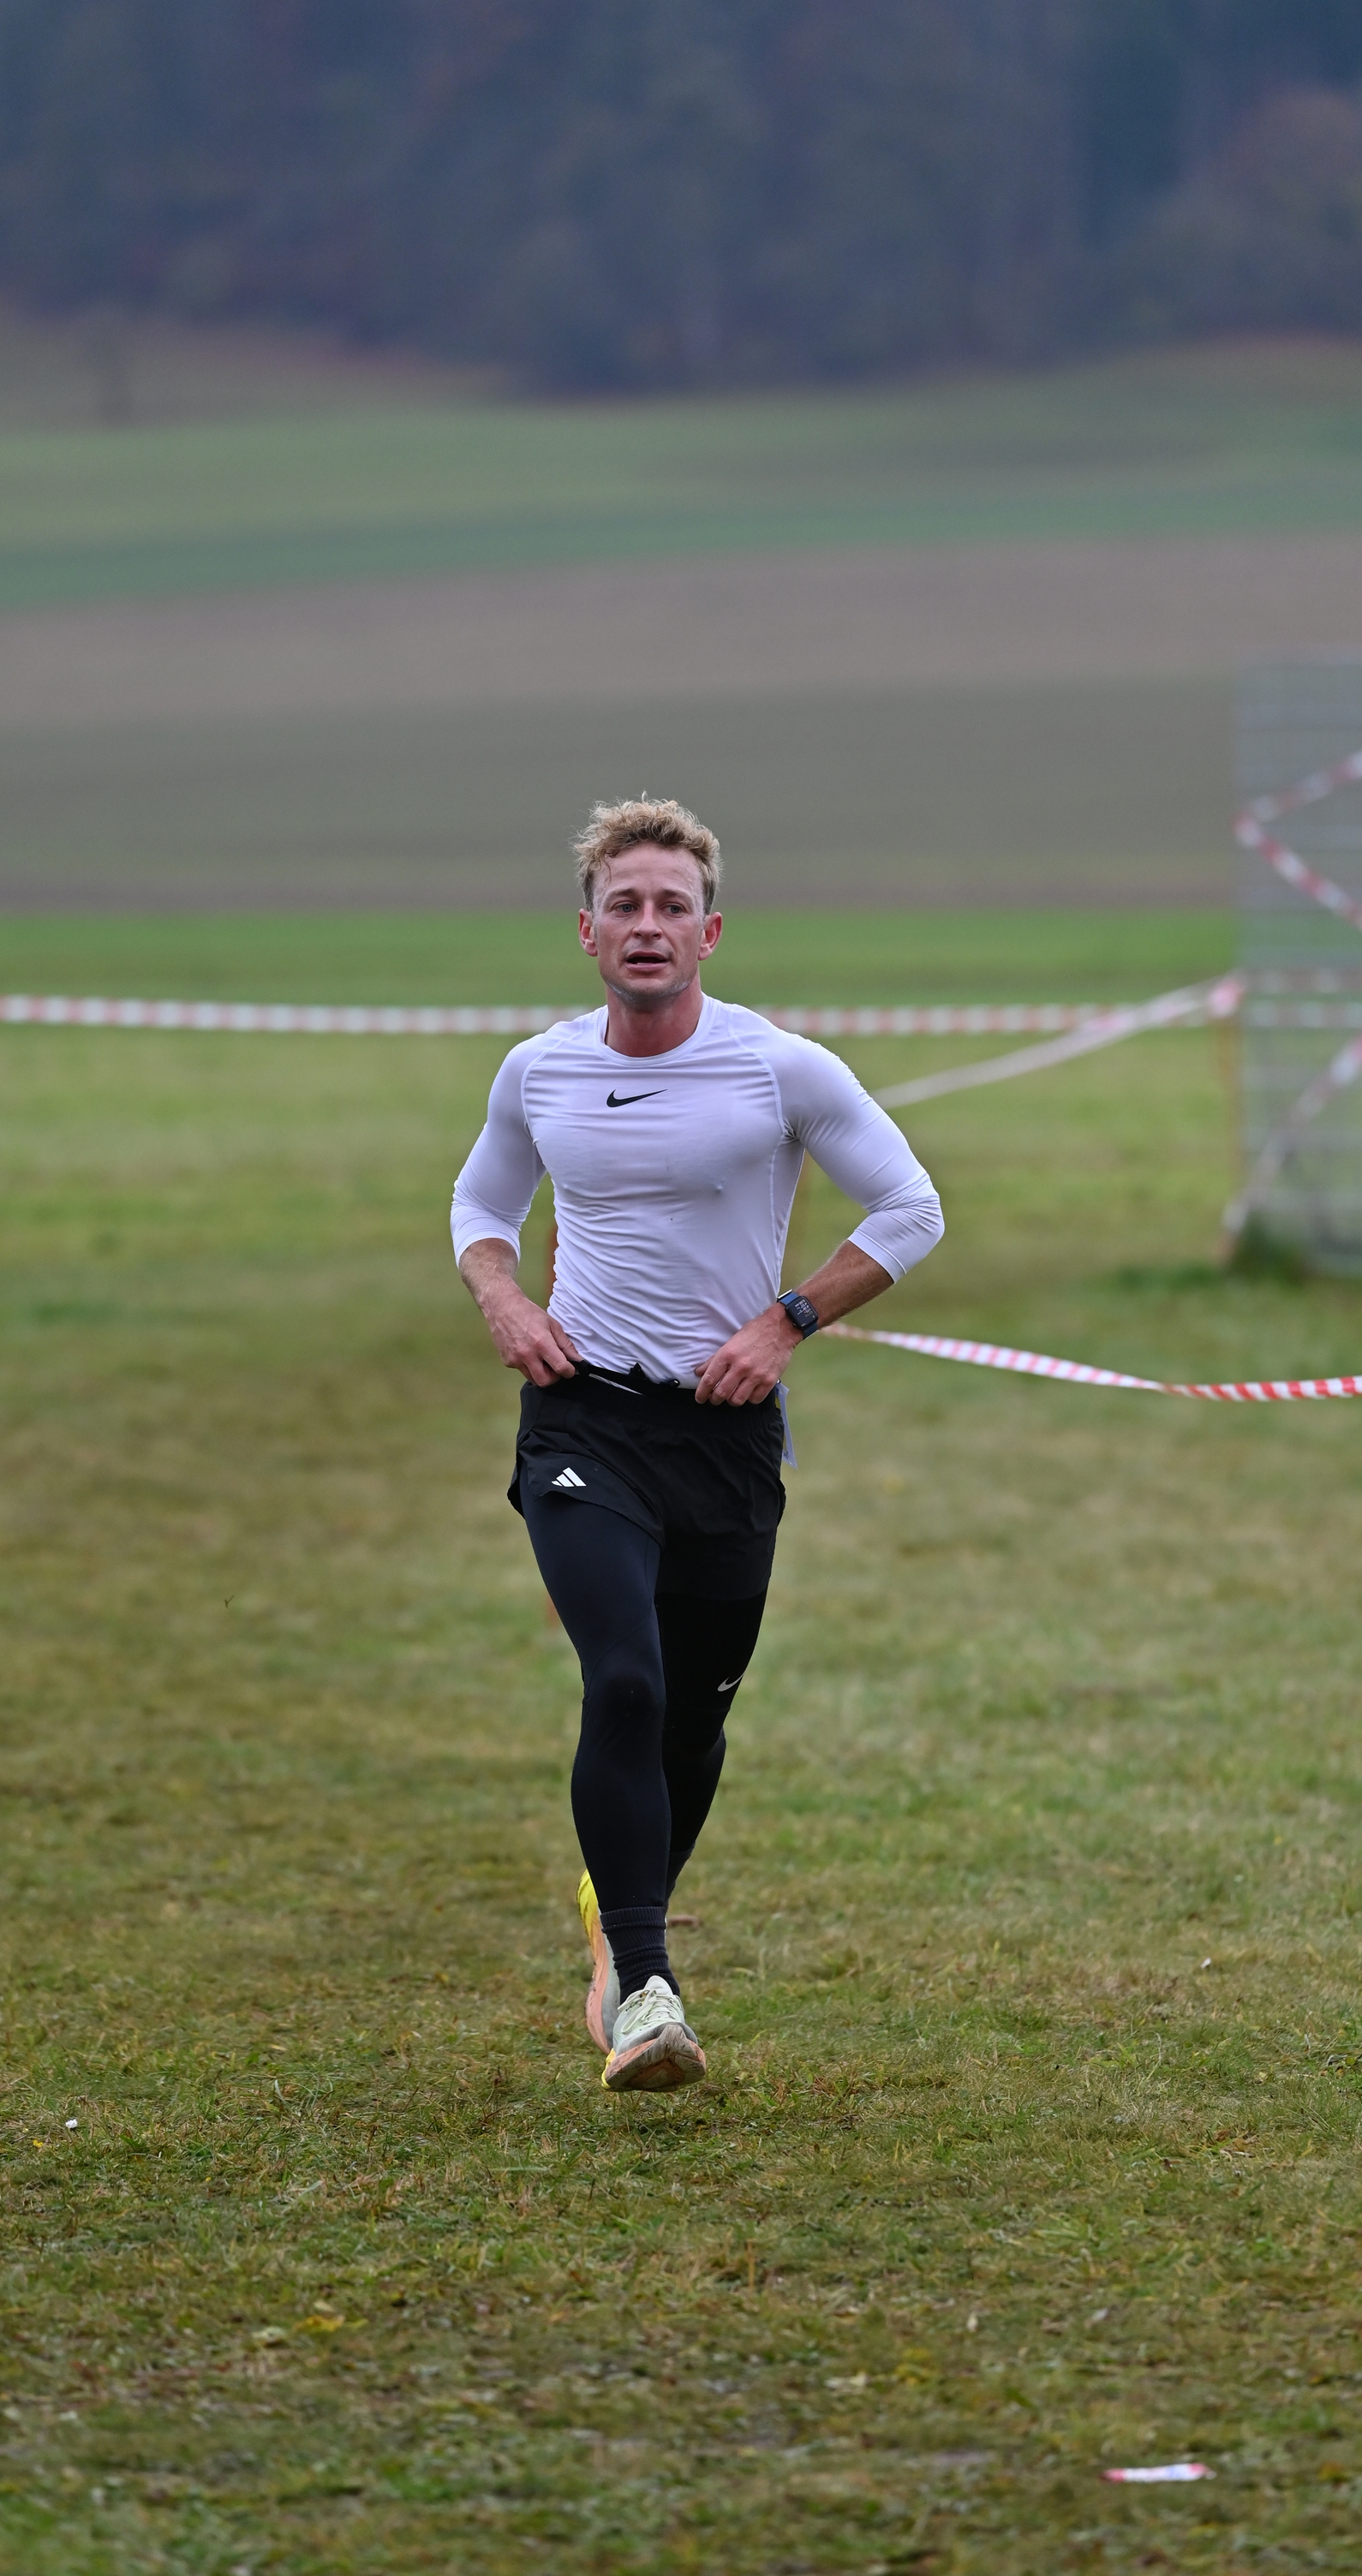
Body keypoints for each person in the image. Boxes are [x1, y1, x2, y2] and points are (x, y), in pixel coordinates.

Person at [451, 799, 943, 2093]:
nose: (648, 925)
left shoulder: (782, 1068)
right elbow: (482, 1198)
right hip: (584, 1416)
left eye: (673, 906)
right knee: (624, 1678)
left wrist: (786, 1323)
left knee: (692, 1714)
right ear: (587, 931)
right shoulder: (539, 1070)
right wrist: (503, 1295)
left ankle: (616, 1919)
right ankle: (644, 1984)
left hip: (724, 1434)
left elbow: (910, 1207)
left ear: (710, 932)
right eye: (625, 904)